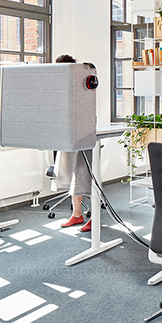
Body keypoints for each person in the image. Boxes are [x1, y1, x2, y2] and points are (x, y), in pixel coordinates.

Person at [54, 54, 94, 232]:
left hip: (85, 132)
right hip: (69, 133)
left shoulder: (83, 82)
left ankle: (94, 217)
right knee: (74, 174)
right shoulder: (62, 84)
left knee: (87, 175)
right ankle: (77, 214)